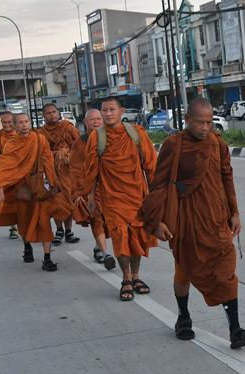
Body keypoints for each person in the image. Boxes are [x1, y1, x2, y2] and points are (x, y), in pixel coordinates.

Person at [141, 98, 245, 348]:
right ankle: (183, 317)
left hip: (216, 219)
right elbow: (159, 183)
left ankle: (235, 330)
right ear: (187, 120)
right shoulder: (175, 144)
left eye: (208, 122)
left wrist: (234, 212)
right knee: (184, 270)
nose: (205, 128)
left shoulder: (217, 144)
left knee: (226, 272)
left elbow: (226, 177)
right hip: (186, 218)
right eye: (199, 122)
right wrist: (157, 221)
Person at [80, 97, 158, 301]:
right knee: (120, 237)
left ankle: (136, 276)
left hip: (137, 196)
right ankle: (125, 278)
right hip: (112, 199)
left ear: (121, 111)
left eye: (111, 109)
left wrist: (156, 195)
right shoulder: (97, 138)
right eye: (104, 110)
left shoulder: (136, 134)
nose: (107, 114)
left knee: (136, 239)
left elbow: (150, 166)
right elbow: (90, 171)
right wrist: (90, 198)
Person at [0, 113, 63, 272]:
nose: (24, 125)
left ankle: (47, 258)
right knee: (23, 220)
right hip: (21, 188)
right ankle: (27, 246)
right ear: (16, 126)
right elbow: (4, 166)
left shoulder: (39, 139)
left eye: (26, 121)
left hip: (39, 186)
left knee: (44, 221)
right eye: (20, 123)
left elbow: (48, 158)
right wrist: (0, 186)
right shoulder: (12, 144)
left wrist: (52, 180)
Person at [69, 108, 115, 270]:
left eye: (98, 119)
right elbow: (75, 170)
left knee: (110, 220)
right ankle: (105, 252)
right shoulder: (79, 143)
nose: (96, 122)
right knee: (96, 217)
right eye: (92, 120)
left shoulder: (112, 138)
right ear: (85, 123)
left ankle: (98, 247)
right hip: (90, 188)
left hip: (110, 187)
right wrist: (78, 192)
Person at [37, 103, 79, 246]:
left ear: (59, 113)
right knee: (55, 200)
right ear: (44, 116)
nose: (52, 115)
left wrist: (66, 151)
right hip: (51, 171)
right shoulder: (40, 133)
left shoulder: (68, 128)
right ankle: (59, 229)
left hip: (68, 171)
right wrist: (56, 153)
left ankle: (68, 231)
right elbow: (40, 153)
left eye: (54, 112)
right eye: (48, 113)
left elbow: (78, 147)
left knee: (68, 199)